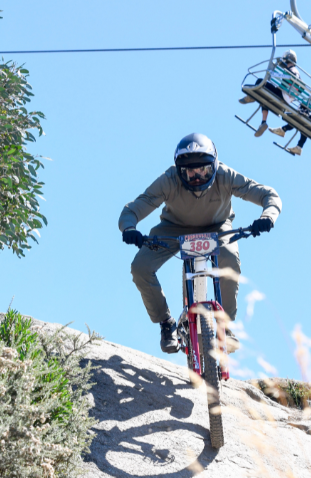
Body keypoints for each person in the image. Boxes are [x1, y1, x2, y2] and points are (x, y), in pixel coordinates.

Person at [119, 133, 281, 377]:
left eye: (203, 171)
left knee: (229, 260)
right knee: (140, 268)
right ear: (178, 170)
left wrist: (267, 217)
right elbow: (134, 208)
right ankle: (167, 324)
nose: (196, 177)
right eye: (188, 172)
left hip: (217, 227)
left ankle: (224, 326)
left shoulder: (226, 176)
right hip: (174, 229)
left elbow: (269, 195)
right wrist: (130, 228)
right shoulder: (169, 179)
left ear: (214, 166)